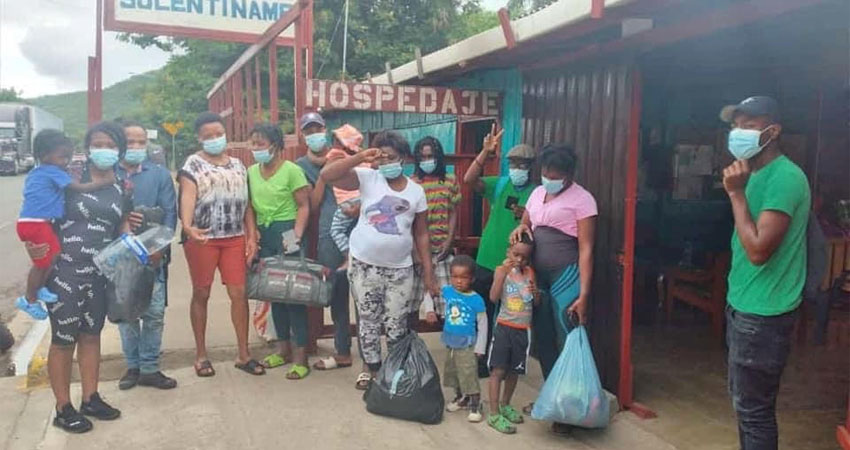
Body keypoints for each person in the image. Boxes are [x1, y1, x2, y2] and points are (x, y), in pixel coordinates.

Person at [719, 96, 810, 450]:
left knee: (754, 413)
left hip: (764, 313)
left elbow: (758, 249)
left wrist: (736, 196)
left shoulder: (785, 177)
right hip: (744, 305)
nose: (738, 133)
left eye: (749, 125)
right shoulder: (753, 173)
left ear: (773, 132)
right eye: (734, 126)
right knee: (746, 407)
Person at [321, 130, 438, 387]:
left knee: (397, 324)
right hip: (364, 265)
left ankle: (393, 372)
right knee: (368, 321)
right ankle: (370, 370)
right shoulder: (368, 178)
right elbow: (327, 175)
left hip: (400, 270)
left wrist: (429, 274)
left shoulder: (417, 192)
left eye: (392, 157)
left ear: (405, 159)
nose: (386, 163)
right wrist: (360, 157)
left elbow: (421, 235)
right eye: (382, 158)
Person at [47, 121, 129, 433]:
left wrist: (130, 237)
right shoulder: (68, 179)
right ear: (87, 146)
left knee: (91, 335)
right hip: (65, 271)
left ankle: (91, 397)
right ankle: (63, 406)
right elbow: (42, 215)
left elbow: (120, 223)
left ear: (118, 150)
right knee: (64, 339)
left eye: (110, 144)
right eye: (98, 143)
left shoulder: (121, 186)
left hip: (100, 273)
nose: (103, 149)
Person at [510, 144, 597, 435]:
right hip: (537, 277)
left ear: (569, 175)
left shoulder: (583, 200)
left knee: (566, 337)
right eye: (546, 172)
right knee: (544, 339)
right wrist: (519, 230)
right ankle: (552, 398)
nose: (549, 177)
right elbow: (526, 223)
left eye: (556, 174)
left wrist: (584, 294)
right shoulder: (537, 193)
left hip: (565, 276)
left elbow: (585, 250)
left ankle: (570, 411)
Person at [178, 112, 263, 377]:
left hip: (234, 238)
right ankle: (201, 355)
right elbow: (188, 197)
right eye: (208, 136)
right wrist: (188, 225)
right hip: (203, 238)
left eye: (218, 134)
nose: (215, 139)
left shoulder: (239, 165)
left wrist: (251, 236)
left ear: (226, 134)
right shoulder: (192, 165)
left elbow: (247, 204)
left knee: (239, 293)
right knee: (201, 292)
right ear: (199, 138)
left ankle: (243, 353)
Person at [15, 130, 115, 320]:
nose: (66, 161)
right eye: (63, 157)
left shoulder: (37, 172)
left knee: (53, 255)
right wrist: (104, 182)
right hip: (36, 224)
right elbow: (79, 188)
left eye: (69, 157)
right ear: (44, 155)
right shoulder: (53, 172)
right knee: (43, 261)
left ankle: (40, 288)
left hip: (31, 223)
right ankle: (29, 298)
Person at [463, 123, 537, 374]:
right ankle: (480, 361)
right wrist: (485, 153)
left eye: (523, 165)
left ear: (531, 167)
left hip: (516, 264)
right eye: (514, 164)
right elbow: (469, 179)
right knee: (482, 312)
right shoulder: (501, 184)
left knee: (508, 316)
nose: (517, 169)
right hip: (488, 258)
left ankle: (502, 362)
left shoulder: (537, 193)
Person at [115, 120, 178, 391]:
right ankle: (133, 366)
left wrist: (160, 248)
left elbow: (170, 213)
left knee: (153, 313)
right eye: (130, 142)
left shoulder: (160, 175)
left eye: (142, 142)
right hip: (120, 256)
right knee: (127, 314)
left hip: (154, 255)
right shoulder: (108, 174)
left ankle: (150, 368)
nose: (137, 147)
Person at [247, 122, 312, 380]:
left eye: (260, 144)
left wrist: (296, 234)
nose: (256, 149)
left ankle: (301, 357)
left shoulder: (292, 171)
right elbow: (249, 207)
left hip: (288, 232)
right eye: (253, 144)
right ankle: (281, 348)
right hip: (266, 234)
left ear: (274, 146)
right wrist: (253, 235)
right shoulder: (251, 172)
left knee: (294, 295)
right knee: (273, 293)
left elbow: (304, 206)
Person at [294, 112, 354, 375]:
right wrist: (324, 175)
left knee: (364, 293)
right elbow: (314, 203)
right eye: (308, 131)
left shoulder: (343, 153)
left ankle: (367, 352)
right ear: (302, 136)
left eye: (317, 128)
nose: (313, 134)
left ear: (325, 130)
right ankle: (340, 351)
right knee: (334, 292)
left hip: (357, 226)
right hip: (325, 235)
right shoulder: (300, 166)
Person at [487, 237, 539, 434]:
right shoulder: (501, 271)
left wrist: (536, 293)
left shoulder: (530, 273)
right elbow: (493, 297)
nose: (519, 260)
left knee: (514, 371)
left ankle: (505, 405)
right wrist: (502, 274)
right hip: (504, 327)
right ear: (508, 251)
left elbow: (536, 303)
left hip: (523, 330)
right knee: (498, 371)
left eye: (524, 257)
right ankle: (493, 413)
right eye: (516, 254)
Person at [412, 136, 461, 324]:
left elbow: (453, 212)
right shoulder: (413, 182)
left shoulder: (450, 181)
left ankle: (454, 344)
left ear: (439, 157)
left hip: (443, 248)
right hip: (419, 250)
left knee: (450, 303)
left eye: (430, 156)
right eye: (423, 158)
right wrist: (416, 251)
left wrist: (449, 241)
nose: (427, 161)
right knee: (413, 305)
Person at [439, 255, 488, 423]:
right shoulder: (448, 291)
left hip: (467, 343)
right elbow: (430, 293)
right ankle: (461, 398)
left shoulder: (476, 300)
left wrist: (480, 347)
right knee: (453, 372)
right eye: (455, 277)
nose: (459, 281)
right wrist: (430, 310)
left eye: (464, 277)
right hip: (450, 340)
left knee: (468, 373)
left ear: (472, 279)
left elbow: (483, 324)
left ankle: (475, 403)